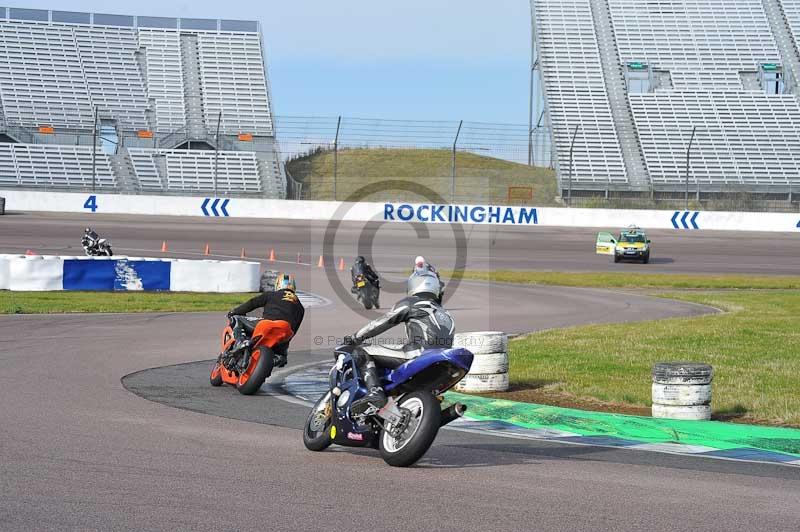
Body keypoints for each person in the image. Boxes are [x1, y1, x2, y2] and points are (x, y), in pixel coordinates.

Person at [345, 270, 454, 414]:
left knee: (361, 351)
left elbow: (382, 322)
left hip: (418, 354)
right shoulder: (446, 314)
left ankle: (375, 392)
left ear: (414, 285)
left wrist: (355, 338)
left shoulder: (412, 302)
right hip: (441, 365)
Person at [226, 272, 305, 368]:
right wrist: (285, 346)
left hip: (267, 324)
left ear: (277, 284)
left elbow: (252, 303)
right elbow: (295, 329)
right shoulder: (300, 307)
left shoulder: (271, 294)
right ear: (294, 287)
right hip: (285, 333)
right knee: (282, 356)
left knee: (237, 318)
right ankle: (279, 357)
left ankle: (240, 342)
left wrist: (235, 311)